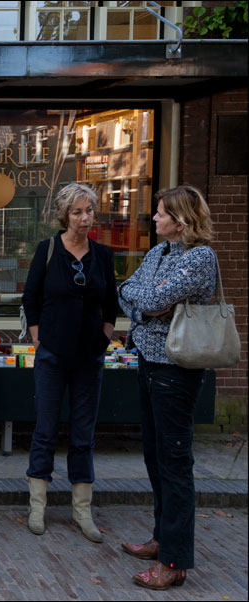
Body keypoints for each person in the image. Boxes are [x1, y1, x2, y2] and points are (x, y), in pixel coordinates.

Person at [117, 186, 217, 590]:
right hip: (147, 360)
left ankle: (174, 561)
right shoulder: (158, 254)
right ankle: (162, 539)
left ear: (181, 220)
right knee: (155, 456)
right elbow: (128, 292)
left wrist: (150, 302)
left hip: (177, 368)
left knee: (175, 463)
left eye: (160, 214)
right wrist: (149, 304)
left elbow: (158, 298)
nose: (153, 219)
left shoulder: (199, 258)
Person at [21, 183, 118, 542]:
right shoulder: (47, 250)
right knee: (45, 430)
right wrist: (36, 335)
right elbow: (31, 296)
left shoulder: (103, 255)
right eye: (77, 212)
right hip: (52, 355)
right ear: (65, 215)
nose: (84, 218)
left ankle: (82, 510)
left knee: (83, 434)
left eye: (89, 211)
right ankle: (37, 506)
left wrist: (105, 334)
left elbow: (111, 302)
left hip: (89, 357)